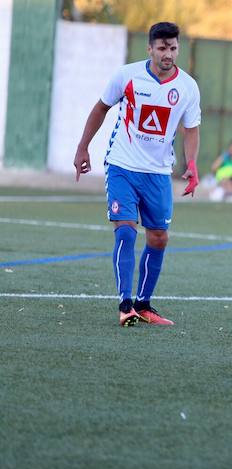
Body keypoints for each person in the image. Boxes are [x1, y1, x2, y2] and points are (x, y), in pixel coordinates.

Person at [73, 21, 201, 326]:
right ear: (150, 49)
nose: (168, 54)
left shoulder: (187, 87)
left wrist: (192, 164)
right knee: (127, 231)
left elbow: (191, 130)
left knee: (158, 238)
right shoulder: (127, 75)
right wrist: (83, 148)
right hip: (122, 166)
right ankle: (125, 304)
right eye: (162, 48)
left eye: (173, 48)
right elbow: (100, 109)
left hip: (158, 174)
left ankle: (144, 305)